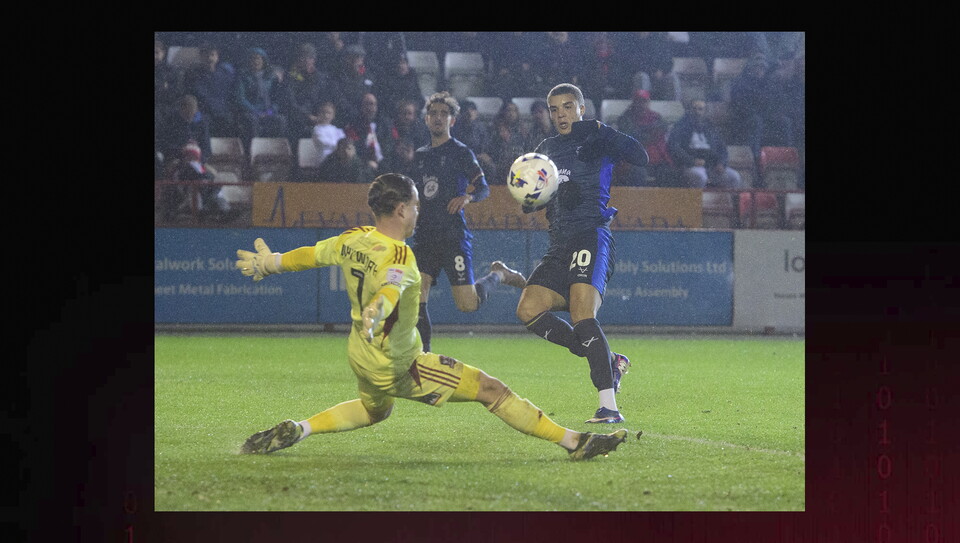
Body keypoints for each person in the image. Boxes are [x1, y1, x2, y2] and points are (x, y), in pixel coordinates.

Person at [235, 173, 630, 460]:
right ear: (401, 209)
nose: (417, 213)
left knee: (374, 411)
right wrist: (378, 308)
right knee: (491, 390)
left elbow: (311, 254)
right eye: (415, 206)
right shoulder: (401, 257)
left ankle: (300, 428)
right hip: (400, 363)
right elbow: (390, 288)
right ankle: (574, 442)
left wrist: (270, 263)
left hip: (361, 352)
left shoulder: (353, 238)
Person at [517, 83, 648, 424]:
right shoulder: (546, 149)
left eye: (567, 107)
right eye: (554, 109)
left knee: (581, 313)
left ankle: (609, 407)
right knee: (529, 308)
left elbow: (641, 157)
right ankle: (610, 360)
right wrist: (531, 199)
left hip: (591, 235)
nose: (560, 114)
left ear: (581, 109)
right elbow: (535, 196)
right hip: (559, 243)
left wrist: (603, 129)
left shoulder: (597, 140)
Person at [411, 92, 527, 352]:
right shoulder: (420, 155)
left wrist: (467, 197)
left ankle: (499, 274)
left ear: (452, 121)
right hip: (425, 235)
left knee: (467, 304)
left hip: (453, 236)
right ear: (426, 119)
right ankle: (423, 357)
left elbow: (484, 188)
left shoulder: (461, 152)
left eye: (444, 114)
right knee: (416, 298)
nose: (438, 118)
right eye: (433, 113)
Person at [728, 55, 794, 176]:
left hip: (765, 119)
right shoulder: (740, 83)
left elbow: (775, 103)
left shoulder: (768, 84)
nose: (759, 70)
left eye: (762, 67)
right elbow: (739, 106)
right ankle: (756, 161)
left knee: (785, 122)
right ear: (750, 68)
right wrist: (758, 109)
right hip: (744, 122)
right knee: (756, 121)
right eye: (757, 67)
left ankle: (786, 158)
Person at [666, 99, 742, 189]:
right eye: (694, 109)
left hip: (712, 166)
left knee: (734, 177)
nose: (697, 112)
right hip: (689, 166)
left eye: (700, 109)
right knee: (701, 177)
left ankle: (730, 199)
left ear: (705, 111)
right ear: (689, 110)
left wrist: (721, 163)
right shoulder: (680, 126)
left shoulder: (711, 128)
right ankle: (698, 199)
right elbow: (674, 148)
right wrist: (692, 161)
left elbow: (722, 148)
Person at [614, 89, 676, 187]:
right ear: (634, 102)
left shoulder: (656, 117)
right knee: (638, 173)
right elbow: (633, 138)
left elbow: (662, 128)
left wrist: (645, 133)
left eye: (644, 101)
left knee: (668, 172)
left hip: (656, 159)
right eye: (639, 101)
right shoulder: (625, 118)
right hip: (636, 161)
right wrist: (649, 133)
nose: (642, 104)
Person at [233, 47, 288, 149]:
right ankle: (256, 150)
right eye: (253, 58)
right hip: (251, 112)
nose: (256, 61)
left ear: (264, 60)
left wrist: (270, 111)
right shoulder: (243, 77)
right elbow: (241, 98)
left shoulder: (271, 77)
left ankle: (276, 150)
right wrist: (256, 112)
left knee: (281, 120)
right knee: (252, 121)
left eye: (258, 58)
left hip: (268, 112)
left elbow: (277, 98)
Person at [183, 42, 237, 138]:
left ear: (217, 57)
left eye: (212, 55)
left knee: (231, 123)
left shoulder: (225, 73)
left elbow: (231, 94)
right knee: (202, 123)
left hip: (222, 110)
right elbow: (192, 94)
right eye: (206, 55)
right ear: (201, 57)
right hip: (202, 111)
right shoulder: (193, 74)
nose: (209, 58)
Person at [343, 92, 392, 174]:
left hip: (383, 163)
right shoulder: (354, 126)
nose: (370, 108)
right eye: (367, 104)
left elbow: (388, 147)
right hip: (364, 165)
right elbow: (356, 148)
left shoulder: (384, 125)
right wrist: (366, 162)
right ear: (361, 106)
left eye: (373, 104)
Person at [310, 100, 346, 165]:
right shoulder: (317, 129)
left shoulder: (336, 129)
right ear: (319, 114)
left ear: (333, 116)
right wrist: (338, 146)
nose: (326, 116)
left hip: (337, 158)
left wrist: (341, 145)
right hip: (323, 160)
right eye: (323, 113)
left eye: (329, 113)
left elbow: (343, 140)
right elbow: (323, 142)